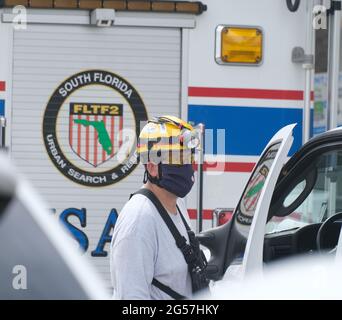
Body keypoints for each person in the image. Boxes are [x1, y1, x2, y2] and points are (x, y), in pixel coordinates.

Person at [110, 115, 201, 300]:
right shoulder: (139, 221)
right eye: (178, 158)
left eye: (188, 157)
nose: (188, 166)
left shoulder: (178, 205)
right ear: (152, 167)